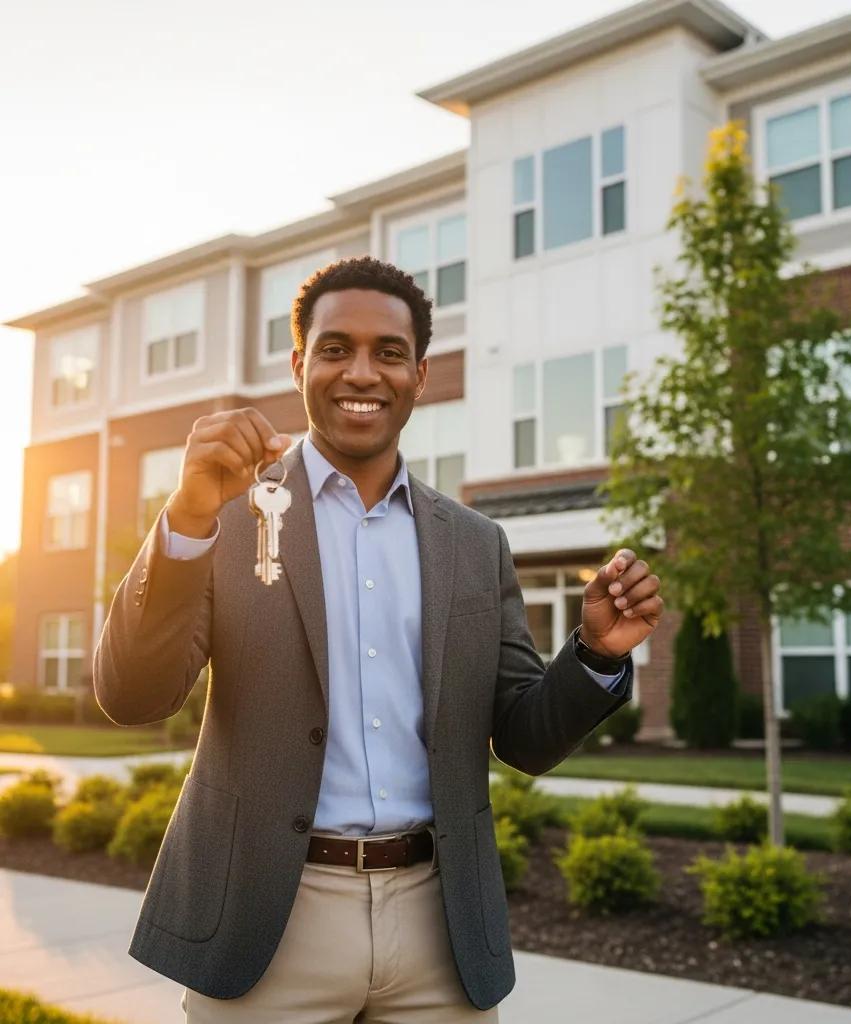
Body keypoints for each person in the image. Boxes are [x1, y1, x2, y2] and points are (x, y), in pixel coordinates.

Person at [94, 256, 663, 1023]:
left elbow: (523, 738)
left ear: (420, 375)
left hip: (440, 932)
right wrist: (187, 521)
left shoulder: (474, 543)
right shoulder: (226, 518)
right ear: (300, 364)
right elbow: (132, 695)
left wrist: (594, 654)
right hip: (268, 922)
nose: (362, 372)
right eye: (336, 349)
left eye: (388, 352)